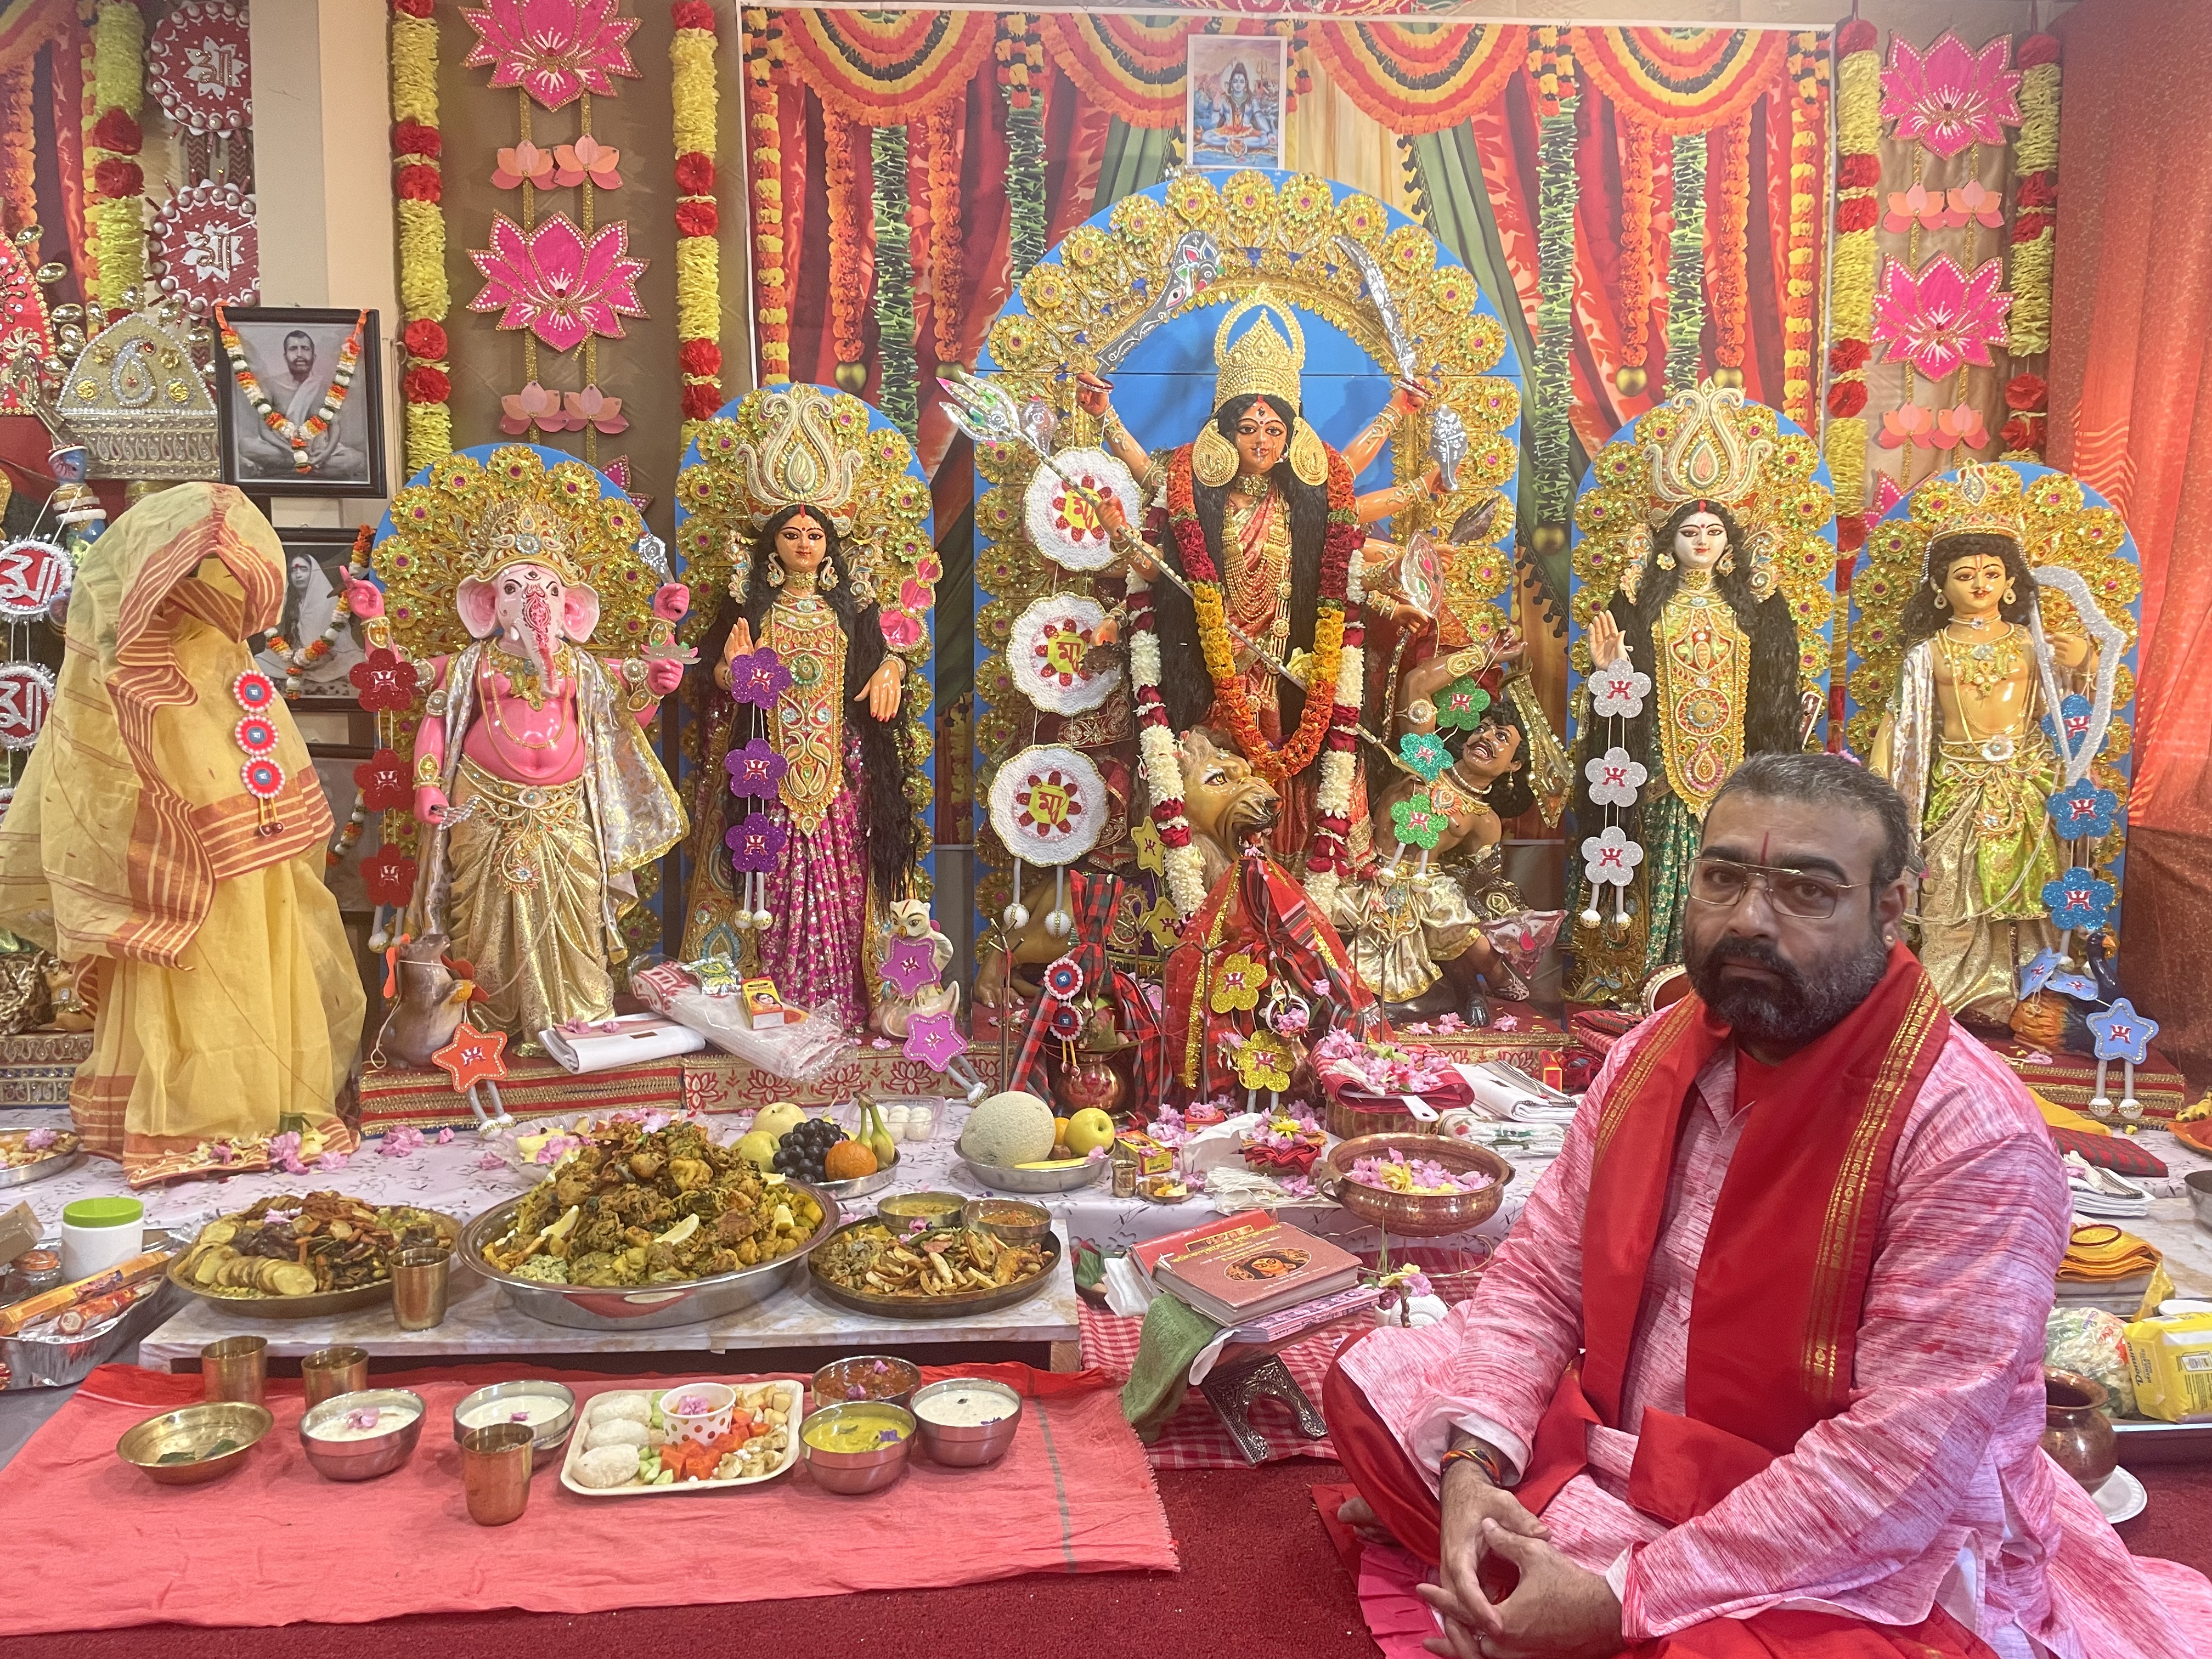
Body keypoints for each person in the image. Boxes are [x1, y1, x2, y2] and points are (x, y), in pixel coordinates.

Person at [1324, 751, 2212, 1658]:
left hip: (1848, 1530)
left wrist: (1620, 1598)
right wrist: (1473, 1464)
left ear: (1891, 908)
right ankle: (1509, 1540)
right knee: (1372, 1383)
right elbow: (1540, 1277)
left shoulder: (1970, 1133)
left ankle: (1566, 1583)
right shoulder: (1646, 1057)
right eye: (1723, 878)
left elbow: (1896, 1468)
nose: (1749, 918)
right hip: (1629, 1451)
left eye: (1806, 890)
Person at [0, 483, 365, 1182]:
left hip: (256, 872)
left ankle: (270, 1109)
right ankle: (194, 1122)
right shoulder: (122, 685)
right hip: (175, 884)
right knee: (192, 977)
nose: (204, 590)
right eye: (189, 572)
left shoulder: (230, 661)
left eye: (217, 575)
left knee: (261, 962)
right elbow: (97, 795)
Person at [1871, 462, 2097, 1026]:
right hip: (1956, 785)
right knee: (1953, 892)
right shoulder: (1927, 653)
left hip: (2025, 783)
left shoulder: (2033, 644)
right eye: (1964, 574)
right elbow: (1899, 724)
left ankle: (2031, 992)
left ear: (2011, 581)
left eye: (1992, 573)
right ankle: (1954, 993)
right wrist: (1876, 789)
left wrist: (2086, 663)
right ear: (1940, 587)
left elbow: (2072, 718)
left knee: (2033, 894)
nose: (1980, 584)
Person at [681, 502, 918, 1029]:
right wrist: (733, 671)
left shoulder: (849, 609)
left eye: (814, 535)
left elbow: (879, 656)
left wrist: (891, 670)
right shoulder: (752, 607)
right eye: (791, 535)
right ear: (773, 545)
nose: (804, 544)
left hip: (838, 771)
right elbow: (716, 673)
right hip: (767, 772)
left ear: (830, 547)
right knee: (771, 881)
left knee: (849, 883)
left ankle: (852, 998)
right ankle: (766, 1000)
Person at [237, 328, 365, 480]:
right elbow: (264, 430)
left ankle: (281, 470)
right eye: (293, 349)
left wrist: (326, 453)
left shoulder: (324, 386)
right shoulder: (271, 385)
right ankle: (311, 469)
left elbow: (335, 426)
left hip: (318, 450)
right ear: (285, 357)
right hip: (283, 449)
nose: (299, 354)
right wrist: (290, 450)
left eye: (305, 349)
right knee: (246, 446)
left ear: (314, 356)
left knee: (356, 459)